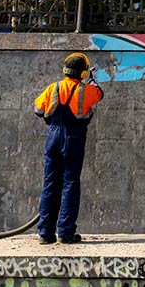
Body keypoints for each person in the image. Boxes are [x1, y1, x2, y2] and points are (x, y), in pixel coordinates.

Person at [33, 52, 103, 244]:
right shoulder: (86, 90)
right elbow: (99, 94)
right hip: (73, 137)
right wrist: (92, 80)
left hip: (53, 136)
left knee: (50, 184)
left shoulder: (52, 87)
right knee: (70, 183)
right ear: (82, 73)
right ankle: (65, 232)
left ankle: (45, 233)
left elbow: (38, 109)